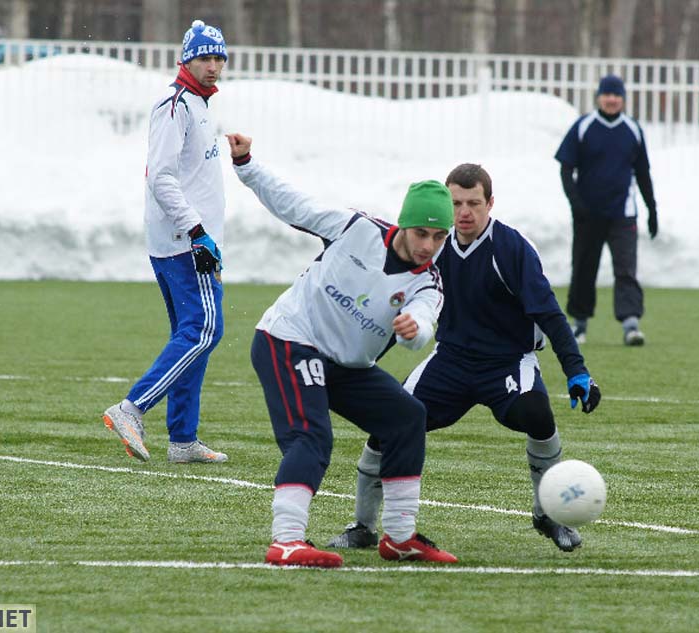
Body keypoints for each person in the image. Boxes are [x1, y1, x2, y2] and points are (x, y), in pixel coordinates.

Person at [328, 163, 602, 553]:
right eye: (456, 202)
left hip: (508, 362)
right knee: (390, 423)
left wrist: (577, 371)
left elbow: (549, 314)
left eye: (474, 202)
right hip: (451, 361)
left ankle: (549, 514)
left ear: (491, 203)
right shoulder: (431, 247)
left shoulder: (511, 248)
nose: (464, 212)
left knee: (538, 416)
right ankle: (363, 526)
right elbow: (395, 310)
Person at [226, 132, 458, 568]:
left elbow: (425, 320)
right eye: (422, 232)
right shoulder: (356, 229)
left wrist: (414, 330)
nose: (428, 245)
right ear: (403, 224)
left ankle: (401, 536)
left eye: (439, 237)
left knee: (408, 417)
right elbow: (293, 204)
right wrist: (246, 165)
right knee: (312, 436)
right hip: (289, 339)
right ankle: (288, 540)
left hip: (346, 365)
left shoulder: (428, 281)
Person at [101, 20, 229, 465]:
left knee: (192, 335)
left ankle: (182, 439)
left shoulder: (199, 104)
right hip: (185, 241)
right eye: (204, 57)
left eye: (218, 57)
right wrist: (197, 230)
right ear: (185, 59)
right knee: (205, 330)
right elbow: (162, 177)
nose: (213, 66)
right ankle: (132, 408)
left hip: (184, 239)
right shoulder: (175, 104)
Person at [554, 74, 658, 346]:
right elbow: (566, 168)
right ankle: (579, 324)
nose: (612, 99)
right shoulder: (584, 126)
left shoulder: (632, 130)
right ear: (599, 97)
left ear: (623, 98)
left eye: (617, 95)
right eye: (607, 94)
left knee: (626, 269)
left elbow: (643, 172)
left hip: (623, 213)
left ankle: (630, 323)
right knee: (584, 268)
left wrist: (652, 209)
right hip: (588, 214)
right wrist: (576, 204)